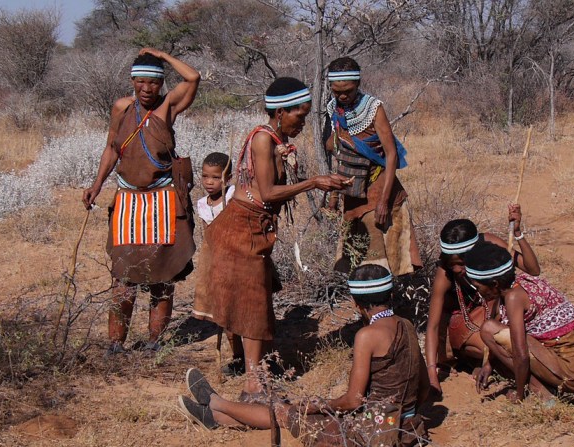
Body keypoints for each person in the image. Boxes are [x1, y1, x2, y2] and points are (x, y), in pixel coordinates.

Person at [193, 77, 349, 399]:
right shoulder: (263, 140)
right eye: (299, 116)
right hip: (241, 229)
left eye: (306, 116)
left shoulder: (274, 138)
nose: (302, 123)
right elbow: (267, 192)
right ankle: (254, 384)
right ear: (280, 111)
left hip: (253, 228)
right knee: (251, 303)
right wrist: (314, 182)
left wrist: (322, 183)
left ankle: (259, 370)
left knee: (257, 300)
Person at [179, 264, 430, 447]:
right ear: (389, 295)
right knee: (292, 412)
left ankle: (216, 403)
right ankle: (215, 417)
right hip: (404, 426)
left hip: (374, 432)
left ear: (356, 304)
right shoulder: (406, 325)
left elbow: (353, 401)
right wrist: (405, 416)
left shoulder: (367, 335)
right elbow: (424, 386)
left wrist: (315, 406)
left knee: (284, 411)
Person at [82, 48, 200, 355]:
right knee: (123, 277)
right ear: (132, 81)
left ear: (161, 84)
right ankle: (115, 344)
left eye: (153, 83)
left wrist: (161, 54)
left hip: (162, 201)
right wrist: (96, 185)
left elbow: (193, 76)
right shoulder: (121, 108)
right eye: (140, 82)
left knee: (163, 277)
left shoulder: (168, 108)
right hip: (128, 201)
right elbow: (111, 147)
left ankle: (153, 342)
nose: (146, 89)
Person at [464, 241, 574, 402]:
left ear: (494, 284)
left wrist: (519, 393)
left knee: (488, 329)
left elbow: (520, 354)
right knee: (498, 334)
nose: (478, 292)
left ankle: (543, 393)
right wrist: (489, 364)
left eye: (478, 286)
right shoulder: (523, 282)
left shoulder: (513, 297)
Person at [424, 206, 540, 396]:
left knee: (511, 342)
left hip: (496, 315)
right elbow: (433, 326)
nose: (456, 270)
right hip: (467, 323)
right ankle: (485, 361)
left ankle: (496, 363)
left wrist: (517, 233)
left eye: (461, 264)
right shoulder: (444, 273)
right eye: (451, 264)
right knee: (497, 344)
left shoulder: (490, 247)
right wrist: (432, 375)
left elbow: (533, 270)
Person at [325, 57, 422, 276]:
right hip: (352, 191)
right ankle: (365, 303)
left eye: (347, 91)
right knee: (358, 255)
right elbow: (339, 153)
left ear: (357, 85)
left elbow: (391, 155)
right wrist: (333, 197)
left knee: (383, 258)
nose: (342, 96)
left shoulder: (373, 108)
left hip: (378, 187)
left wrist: (383, 202)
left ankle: (385, 304)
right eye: (336, 91)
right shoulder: (334, 108)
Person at [191, 153, 244, 374]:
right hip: (213, 261)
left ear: (228, 177)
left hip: (236, 259)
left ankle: (250, 358)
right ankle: (237, 357)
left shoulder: (234, 197)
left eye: (215, 177)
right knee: (223, 313)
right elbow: (207, 235)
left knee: (240, 311)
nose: (209, 182)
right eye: (205, 176)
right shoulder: (202, 204)